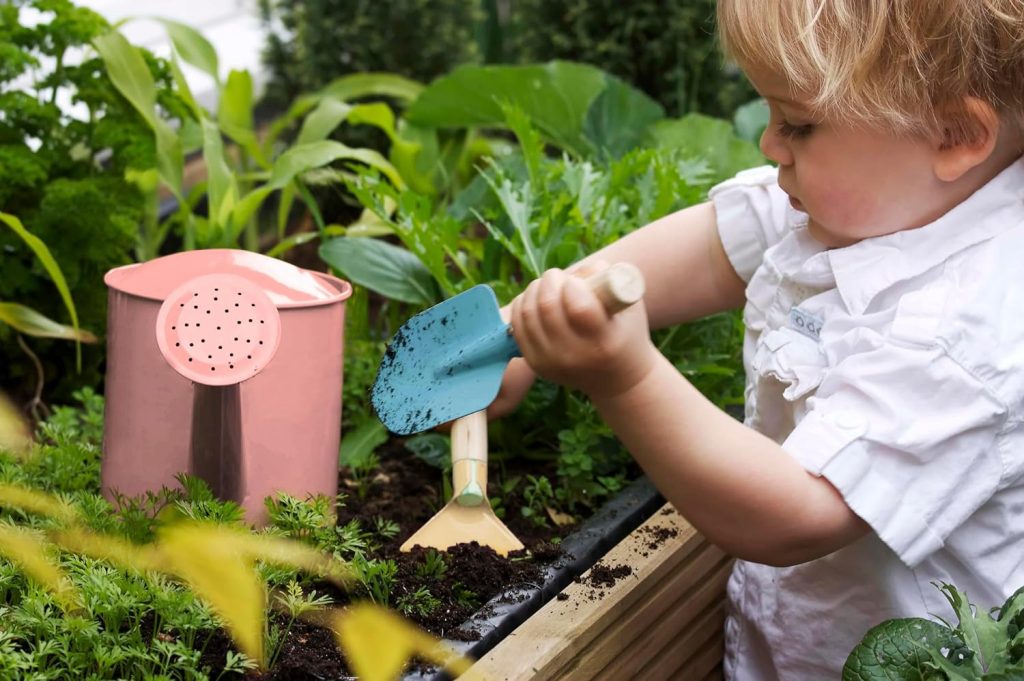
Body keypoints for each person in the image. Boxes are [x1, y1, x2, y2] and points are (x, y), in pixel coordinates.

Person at [488, 1, 1024, 678]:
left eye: (798, 123)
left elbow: (795, 514)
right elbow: (711, 251)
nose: (770, 146)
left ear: (954, 134)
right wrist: (521, 328)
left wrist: (621, 376)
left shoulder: (973, 327)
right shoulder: (871, 198)